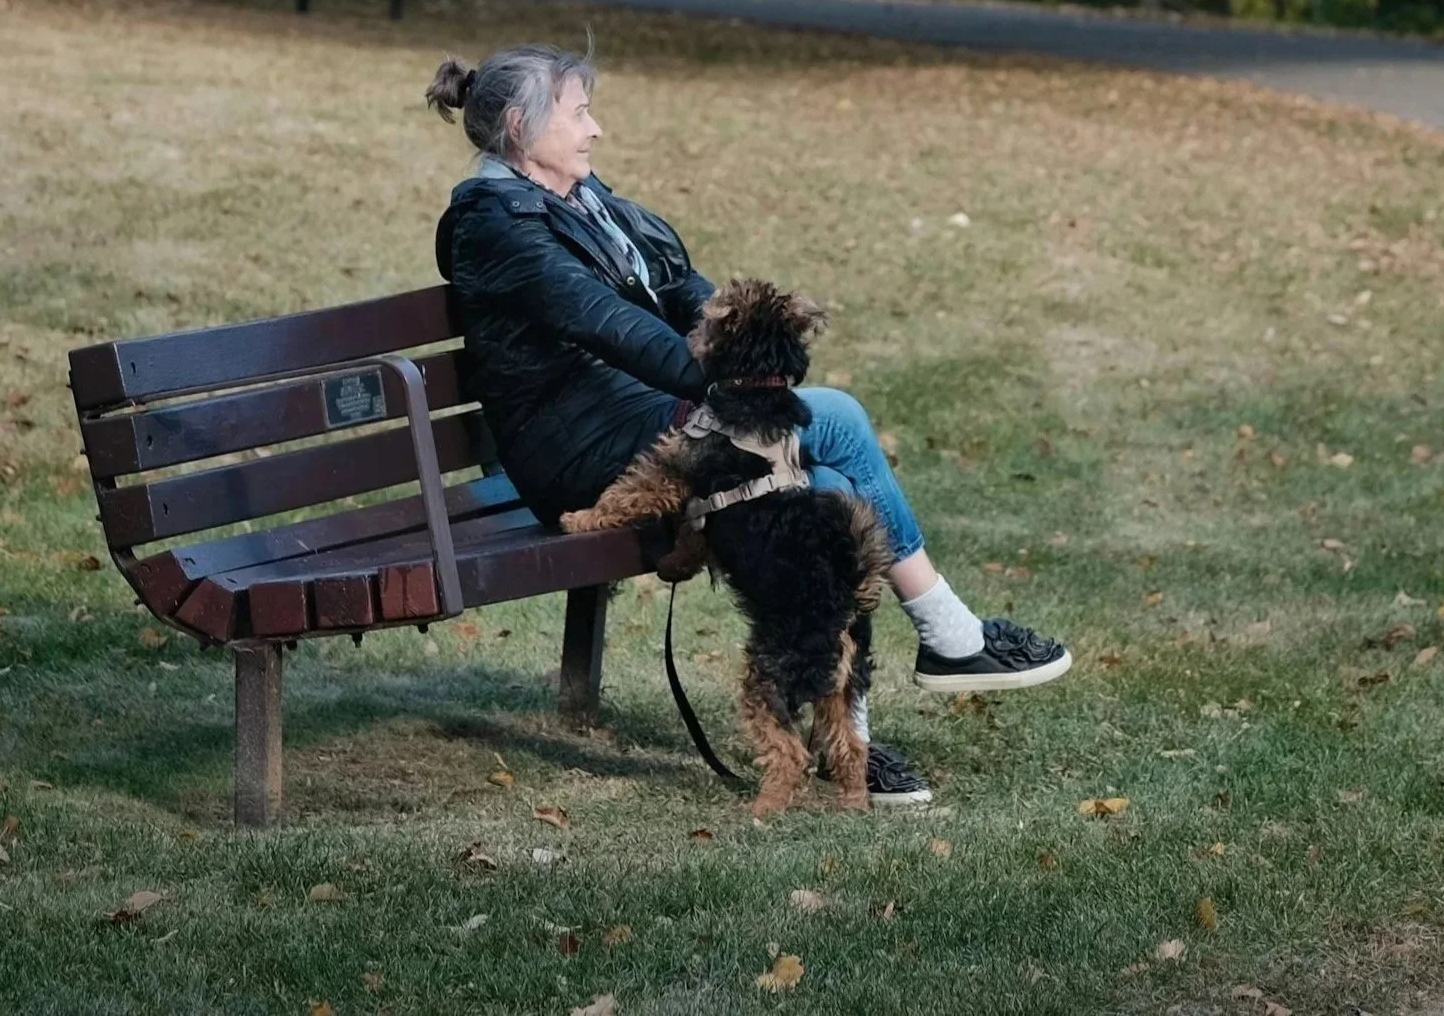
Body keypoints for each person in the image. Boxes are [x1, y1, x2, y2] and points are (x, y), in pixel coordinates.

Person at [428, 43, 1072, 807]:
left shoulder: (579, 196)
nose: (595, 130)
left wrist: (738, 343)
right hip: (578, 448)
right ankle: (951, 636)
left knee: (826, 488)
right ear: (517, 125)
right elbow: (602, 322)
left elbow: (675, 286)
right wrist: (741, 383)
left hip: (640, 414)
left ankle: (849, 741)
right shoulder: (491, 222)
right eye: (577, 114)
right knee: (832, 416)